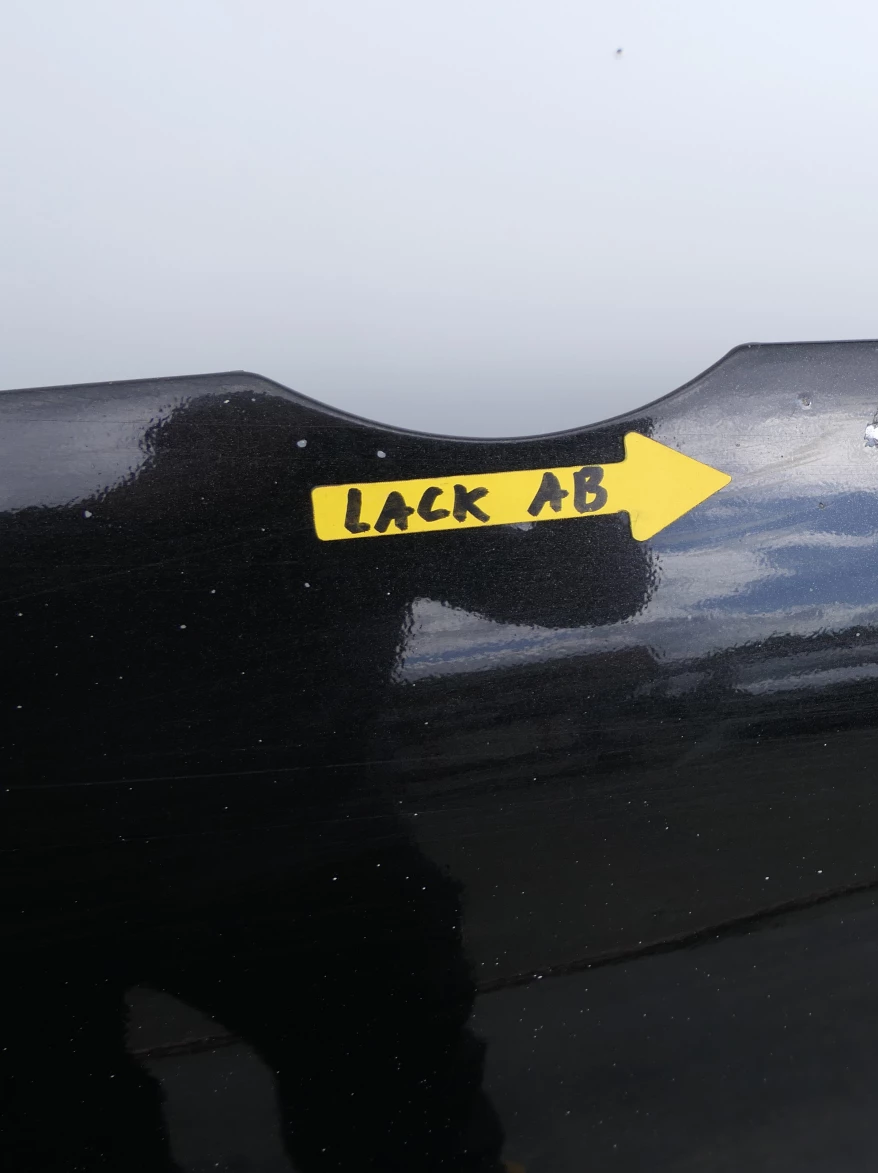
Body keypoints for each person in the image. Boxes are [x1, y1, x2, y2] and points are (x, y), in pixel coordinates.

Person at [0, 382, 654, 1170]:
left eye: (276, 433)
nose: (233, 457)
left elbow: (594, 589)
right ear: (153, 452)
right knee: (61, 1118)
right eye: (203, 439)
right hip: (62, 889)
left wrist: (584, 453)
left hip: (314, 877)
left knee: (399, 1118)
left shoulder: (350, 520)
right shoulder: (37, 542)